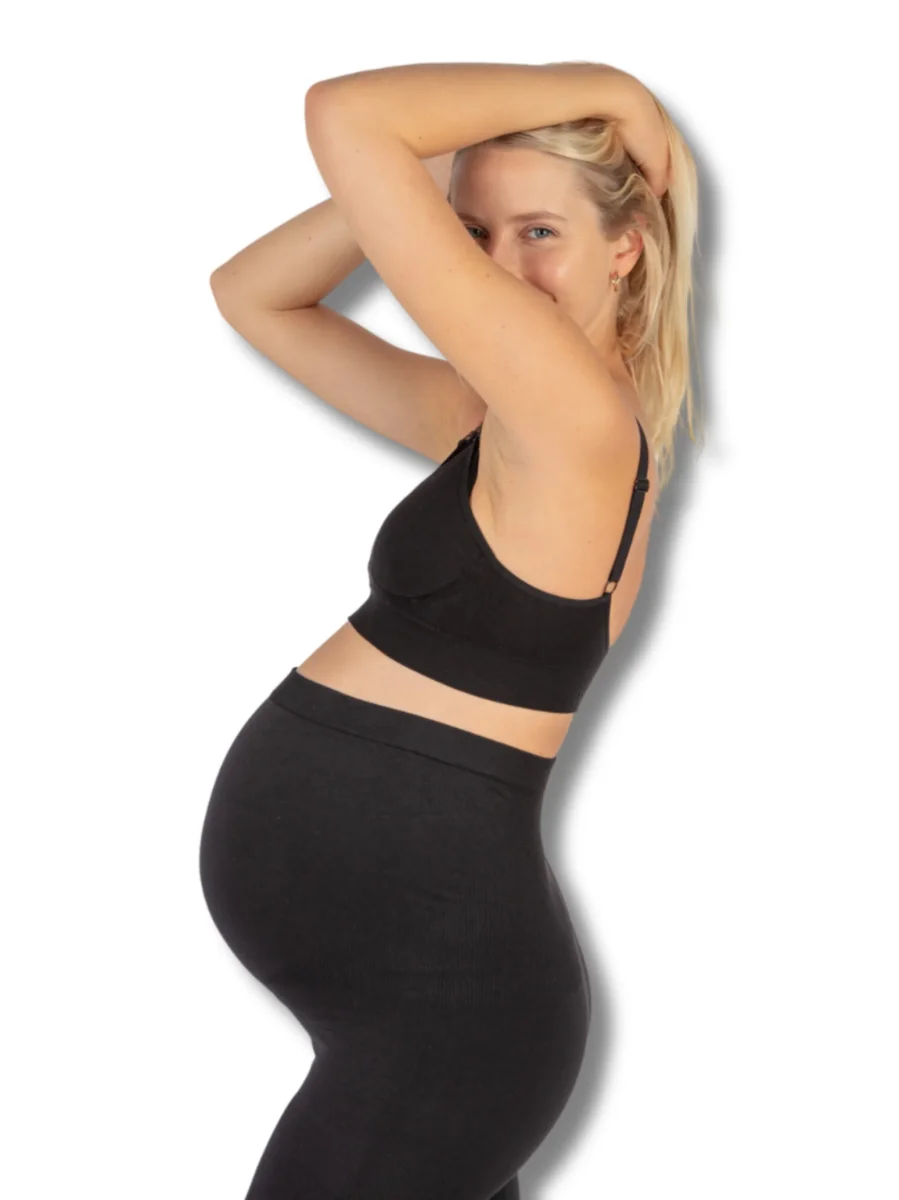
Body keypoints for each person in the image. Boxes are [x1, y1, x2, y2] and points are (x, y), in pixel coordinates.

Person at [199, 59, 700, 1200]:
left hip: (444, 1009)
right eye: (474, 236)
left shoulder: (574, 417)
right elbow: (253, 297)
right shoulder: (511, 422)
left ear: (625, 249)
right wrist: (428, 180)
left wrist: (602, 88)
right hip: (430, 1003)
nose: (501, 270)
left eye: (541, 233)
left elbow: (343, 113)